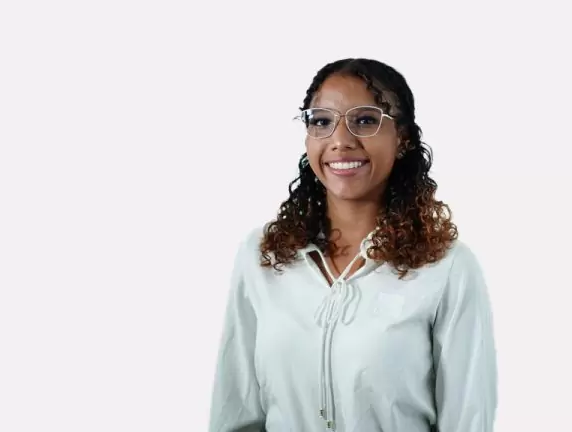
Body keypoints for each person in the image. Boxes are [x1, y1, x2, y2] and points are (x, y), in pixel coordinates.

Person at [208, 58, 498, 431]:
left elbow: (467, 420)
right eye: (322, 122)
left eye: (364, 120)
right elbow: (235, 412)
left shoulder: (446, 268)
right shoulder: (264, 255)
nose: (340, 141)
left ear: (403, 138)